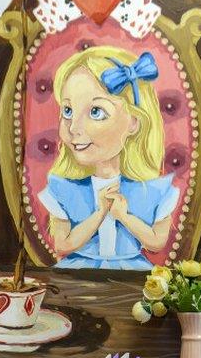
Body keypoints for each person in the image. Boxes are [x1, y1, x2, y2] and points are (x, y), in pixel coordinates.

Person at [38, 46, 179, 270]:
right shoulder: (66, 188)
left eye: (96, 112)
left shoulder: (151, 190)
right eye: (68, 111)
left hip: (131, 276)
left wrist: (123, 216)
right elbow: (63, 245)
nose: (73, 128)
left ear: (134, 122)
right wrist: (99, 213)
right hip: (78, 276)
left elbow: (156, 242)